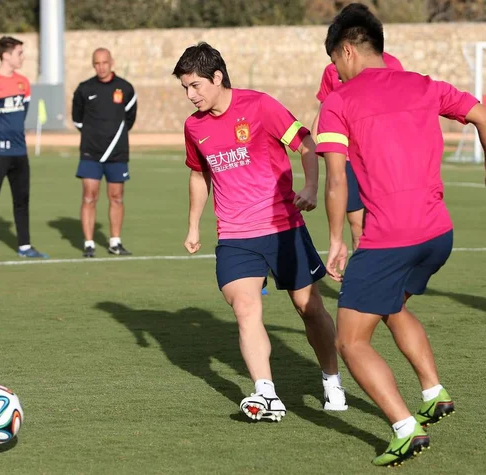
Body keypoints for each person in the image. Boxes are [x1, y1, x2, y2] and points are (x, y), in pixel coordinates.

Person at [316, 3, 486, 466]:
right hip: (439, 235)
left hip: (390, 238)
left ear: (347, 50)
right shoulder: (424, 84)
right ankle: (433, 393)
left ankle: (404, 427)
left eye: (334, 62)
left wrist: (335, 241)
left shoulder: (338, 102)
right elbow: (481, 114)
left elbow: (335, 180)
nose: (335, 72)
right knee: (391, 306)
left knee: (350, 340)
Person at [172, 42, 348, 422]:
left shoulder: (260, 106)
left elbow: (305, 144)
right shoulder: (194, 126)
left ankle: (332, 379)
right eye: (185, 88)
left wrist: (311, 187)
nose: (190, 95)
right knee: (246, 307)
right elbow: (199, 173)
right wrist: (192, 224)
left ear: (218, 77)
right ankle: (266, 394)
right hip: (235, 236)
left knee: (308, 307)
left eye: (196, 85)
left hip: (283, 228)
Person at [310, 52, 403, 251]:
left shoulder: (391, 64)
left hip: (380, 157)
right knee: (357, 223)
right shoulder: (333, 69)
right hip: (348, 157)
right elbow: (325, 105)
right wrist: (316, 134)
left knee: (384, 223)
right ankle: (364, 274)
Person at [0, 36, 48, 262]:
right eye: (19, 53)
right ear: (6, 55)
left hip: (19, 153)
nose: (22, 57)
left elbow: (22, 115)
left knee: (22, 200)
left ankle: (24, 245)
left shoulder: (24, 83)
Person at [72, 48, 137, 258]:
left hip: (117, 153)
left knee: (116, 197)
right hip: (91, 153)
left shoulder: (125, 88)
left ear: (112, 62)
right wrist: (94, 136)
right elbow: (77, 119)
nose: (101, 67)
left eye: (104, 62)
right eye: (97, 63)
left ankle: (115, 242)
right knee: (89, 197)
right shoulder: (84, 89)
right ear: (93, 65)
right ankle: (89, 243)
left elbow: (129, 119)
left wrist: (113, 136)